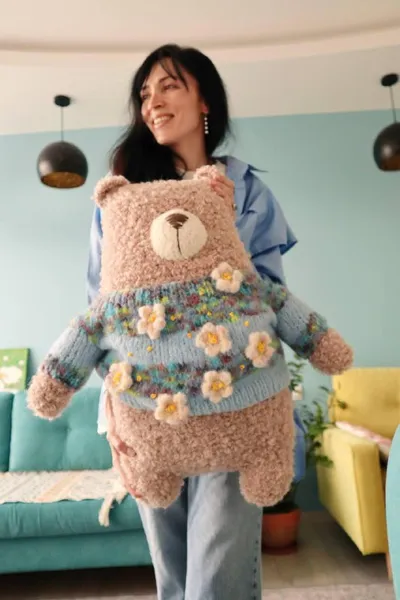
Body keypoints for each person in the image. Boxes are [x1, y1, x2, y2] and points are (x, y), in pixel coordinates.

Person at [87, 43, 298, 600]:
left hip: (232, 398)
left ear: (205, 99)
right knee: (174, 580)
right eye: (144, 93)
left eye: (169, 86)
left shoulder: (246, 190)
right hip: (150, 405)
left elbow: (267, 298)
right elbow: (102, 302)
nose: (152, 102)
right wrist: (118, 403)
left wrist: (223, 225)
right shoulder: (123, 192)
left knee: (217, 578)